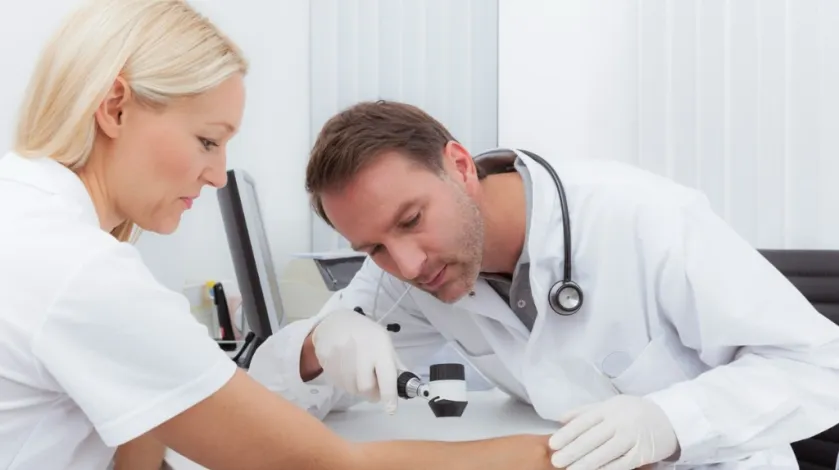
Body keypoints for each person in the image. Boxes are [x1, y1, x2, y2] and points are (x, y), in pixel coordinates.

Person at [0, 2, 559, 469]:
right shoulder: (79, 270)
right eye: (206, 140)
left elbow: (139, 442)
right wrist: (557, 455)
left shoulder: (26, 215)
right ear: (116, 109)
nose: (218, 174)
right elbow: (329, 465)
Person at [248, 99, 839, 470]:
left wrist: (670, 421)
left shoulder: (643, 218)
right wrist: (315, 346)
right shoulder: (410, 275)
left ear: (459, 167)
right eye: (373, 247)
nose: (405, 264)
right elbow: (270, 411)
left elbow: (820, 367)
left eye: (411, 221)